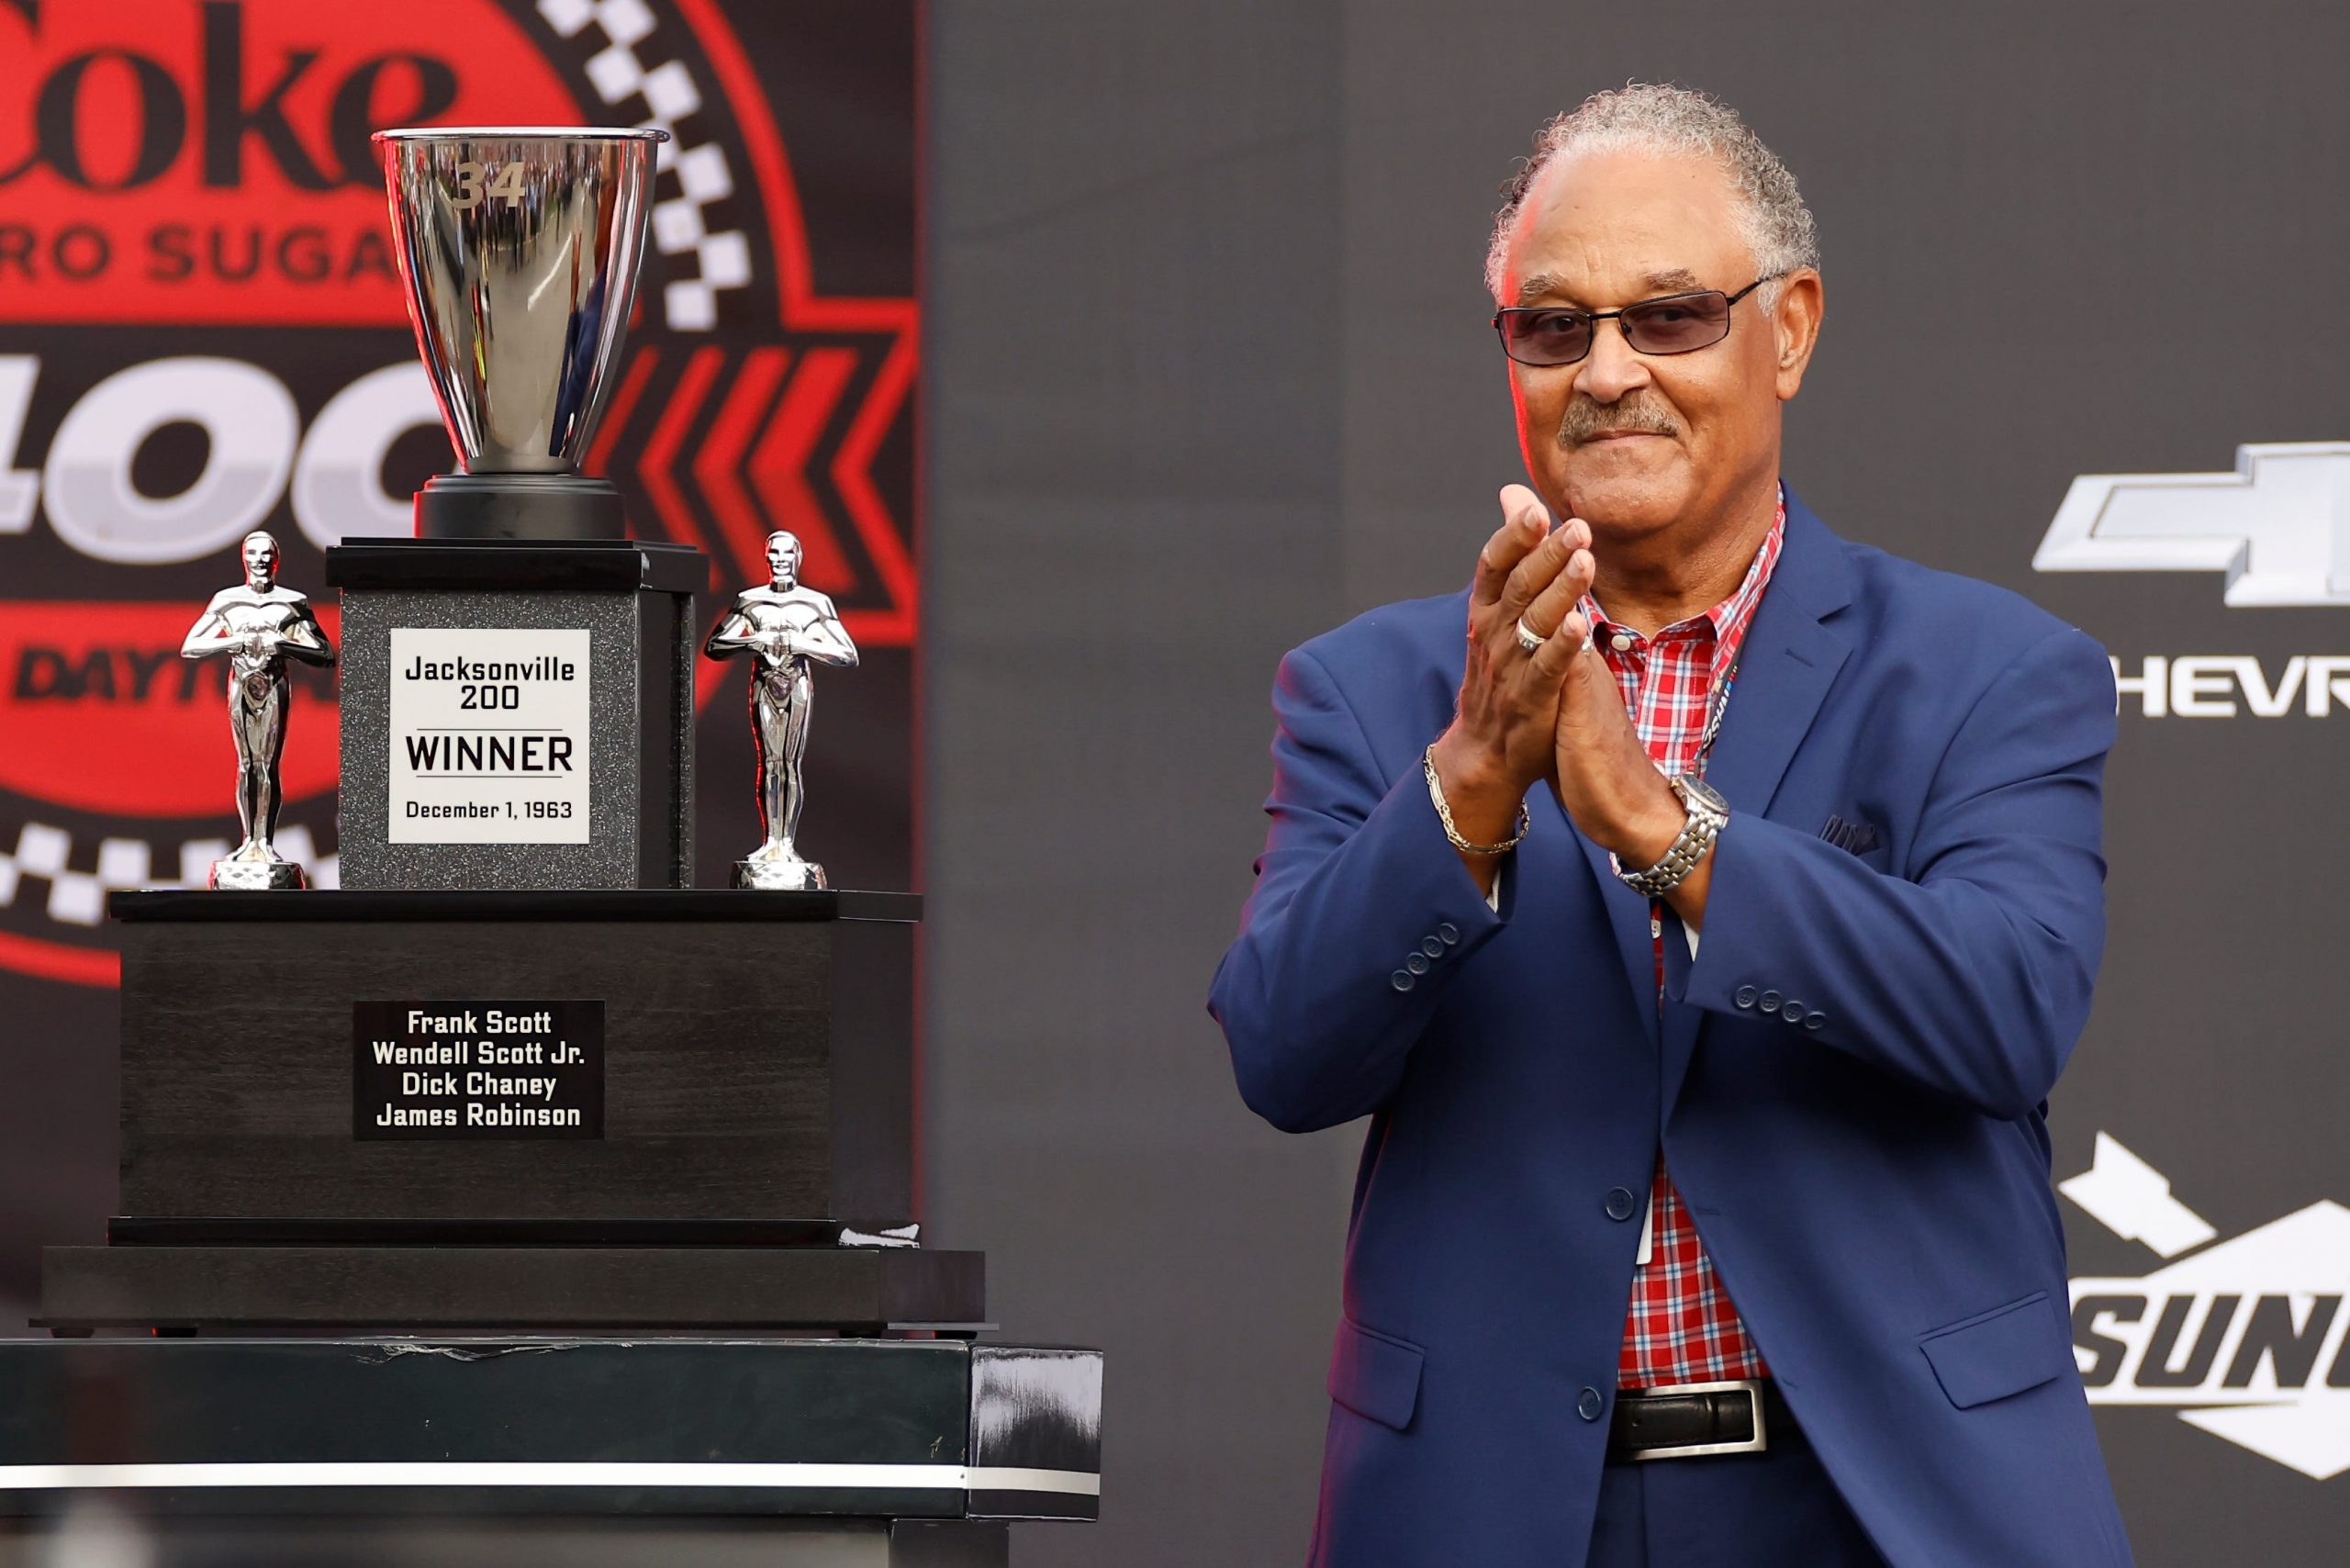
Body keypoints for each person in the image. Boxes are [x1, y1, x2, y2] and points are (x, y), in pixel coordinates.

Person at [1208, 84, 2132, 1568]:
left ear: (1791, 328)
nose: (1608, 370)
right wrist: (1466, 789)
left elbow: (2007, 1007)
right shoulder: (1375, 688)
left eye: (1672, 316)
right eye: (1553, 325)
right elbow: (1283, 1051)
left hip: (1879, 1502)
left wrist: (1660, 824)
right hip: (1493, 1510)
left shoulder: (1987, 668)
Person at [702, 531, 859, 887]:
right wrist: (756, 640)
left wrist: (802, 642)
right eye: (774, 554)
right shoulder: (751, 601)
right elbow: (716, 644)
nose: (780, 560)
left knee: (789, 763)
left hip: (796, 685)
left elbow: (847, 654)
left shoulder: (816, 603)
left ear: (798, 557)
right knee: (769, 762)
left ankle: (786, 843)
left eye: (787, 553)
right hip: (764, 684)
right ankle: (771, 842)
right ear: (767, 557)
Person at [181, 530, 336, 887]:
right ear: (244, 558)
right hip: (240, 684)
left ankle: (264, 843)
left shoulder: (293, 602)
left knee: (268, 765)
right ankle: (248, 841)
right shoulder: (227, 600)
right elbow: (190, 645)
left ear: (276, 559)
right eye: (254, 553)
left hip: (274, 684)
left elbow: (324, 654)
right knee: (246, 763)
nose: (261, 560)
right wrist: (234, 640)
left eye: (267, 553)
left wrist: (282, 644)